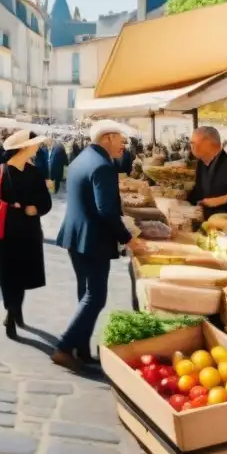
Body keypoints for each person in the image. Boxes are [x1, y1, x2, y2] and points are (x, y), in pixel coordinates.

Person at [54, 120, 147, 371]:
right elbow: (106, 210)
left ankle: (81, 350)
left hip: (76, 236)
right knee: (96, 297)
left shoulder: (82, 158)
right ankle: (64, 347)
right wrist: (129, 238)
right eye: (121, 140)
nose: (123, 146)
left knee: (86, 294)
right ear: (107, 137)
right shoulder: (103, 165)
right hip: (92, 239)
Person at [0, 129, 53, 340]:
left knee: (21, 275)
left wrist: (36, 209)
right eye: (34, 144)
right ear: (24, 147)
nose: (37, 147)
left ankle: (15, 311)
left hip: (28, 233)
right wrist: (12, 207)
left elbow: (46, 202)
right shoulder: (0, 171)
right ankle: (11, 313)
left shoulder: (35, 172)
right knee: (8, 277)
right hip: (4, 232)